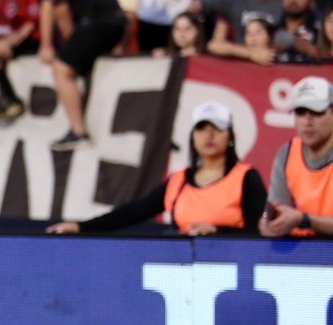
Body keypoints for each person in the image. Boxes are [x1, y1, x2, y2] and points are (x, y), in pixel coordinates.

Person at [47, 101, 266, 236]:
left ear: (230, 137)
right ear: (192, 137)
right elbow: (134, 212)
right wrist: (82, 227)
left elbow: (259, 232)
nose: (209, 135)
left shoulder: (245, 178)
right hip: (186, 271)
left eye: (217, 128)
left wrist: (218, 232)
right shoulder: (179, 180)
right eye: (201, 128)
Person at [24, 0, 126, 150]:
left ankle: (78, 132)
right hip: (114, 22)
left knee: (62, 70)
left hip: (99, 23)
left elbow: (60, 11)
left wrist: (57, 46)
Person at [260, 75, 333, 237]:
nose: (308, 121)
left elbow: (298, 219)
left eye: (317, 111)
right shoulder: (287, 153)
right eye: (300, 112)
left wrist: (303, 220)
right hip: (301, 255)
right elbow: (278, 210)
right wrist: (270, 221)